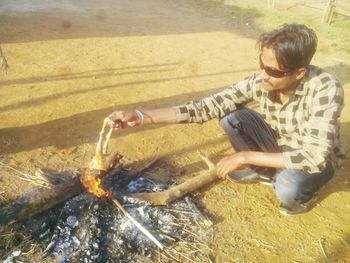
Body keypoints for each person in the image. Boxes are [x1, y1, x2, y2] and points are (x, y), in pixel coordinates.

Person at [106, 24, 344, 216]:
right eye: (262, 64)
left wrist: (244, 156)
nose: (263, 75)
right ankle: (262, 170)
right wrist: (141, 116)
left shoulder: (325, 88)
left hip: (313, 157)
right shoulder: (262, 80)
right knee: (231, 118)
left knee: (288, 188)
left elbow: (314, 156)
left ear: (299, 73)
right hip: (279, 142)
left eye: (273, 71)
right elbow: (205, 107)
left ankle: (304, 194)